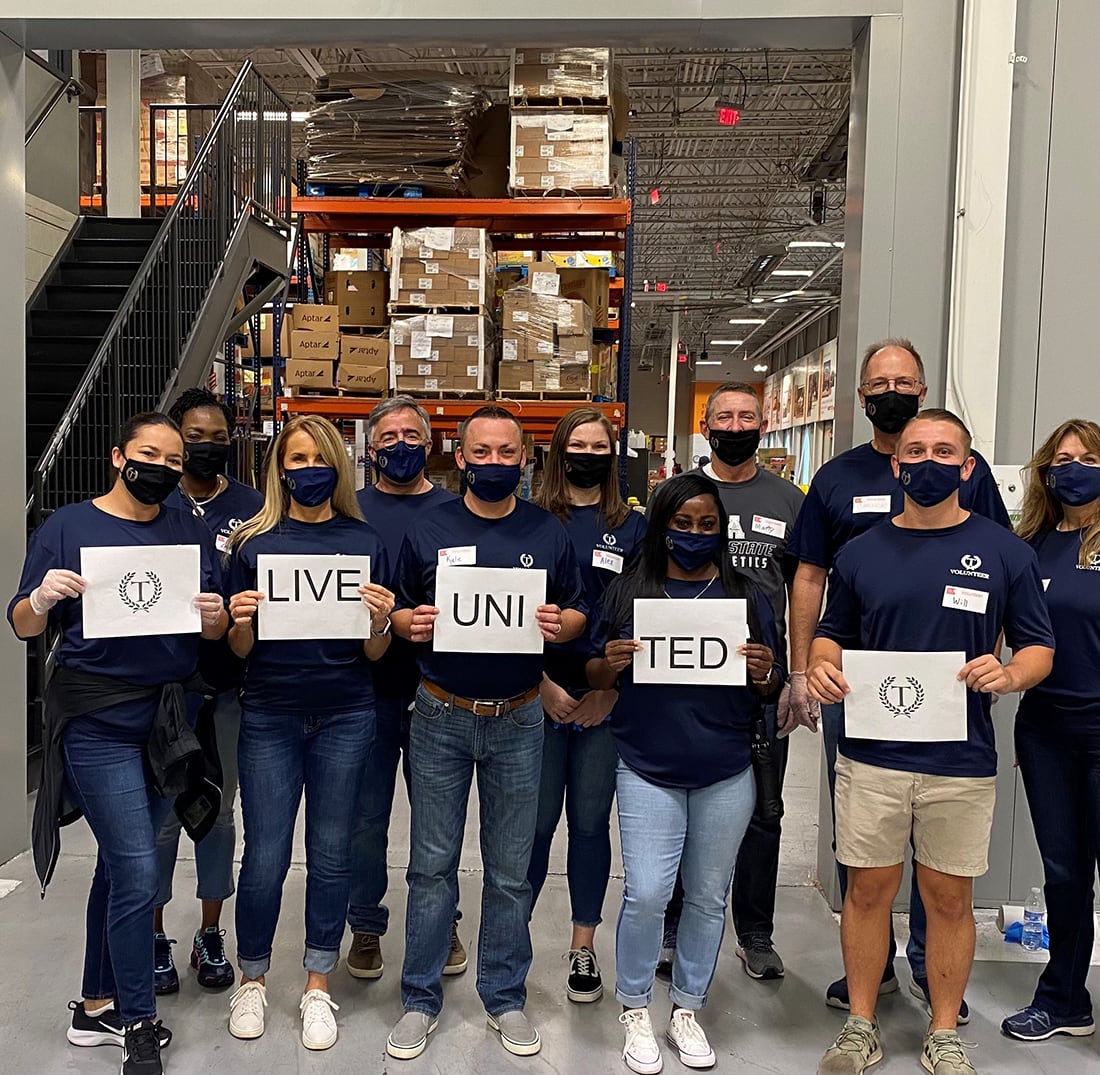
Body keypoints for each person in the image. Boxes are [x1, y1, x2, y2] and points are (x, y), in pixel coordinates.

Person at [808, 409, 1054, 1075]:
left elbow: (1039, 646)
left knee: (949, 898)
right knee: (867, 891)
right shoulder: (859, 553)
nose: (928, 459)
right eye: (915, 449)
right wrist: (821, 662)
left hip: (959, 761)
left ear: (967, 467)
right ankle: (861, 1023)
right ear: (896, 464)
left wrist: (1011, 671)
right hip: (871, 754)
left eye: (944, 450)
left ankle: (943, 1030)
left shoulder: (1007, 554)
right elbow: (831, 630)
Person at [784, 338, 1010, 1014]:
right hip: (859, 695)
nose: (891, 389)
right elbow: (810, 579)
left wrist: (986, 660)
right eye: (879, 380)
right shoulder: (835, 478)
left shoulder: (972, 478)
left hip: (949, 700)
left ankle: (931, 970)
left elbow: (1000, 573)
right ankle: (872, 970)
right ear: (860, 396)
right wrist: (804, 670)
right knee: (864, 838)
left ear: (923, 388)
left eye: (904, 380)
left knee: (943, 858)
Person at [9, 412, 227, 1075]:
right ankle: (138, 1017)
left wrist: (215, 616)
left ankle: (94, 1003)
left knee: (117, 865)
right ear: (118, 456)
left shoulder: (184, 525)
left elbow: (210, 622)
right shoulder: (68, 527)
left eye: (173, 457)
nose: (161, 465)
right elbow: (21, 622)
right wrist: (43, 598)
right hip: (98, 721)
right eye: (148, 454)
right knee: (137, 866)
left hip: (165, 720)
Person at [387, 405, 586, 1061]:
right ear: (462, 456)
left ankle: (504, 994)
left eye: (508, 452)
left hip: (520, 717)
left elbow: (580, 610)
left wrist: (565, 624)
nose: (496, 462)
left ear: (524, 458)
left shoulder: (547, 531)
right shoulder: (427, 527)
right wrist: (406, 622)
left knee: (508, 871)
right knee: (430, 866)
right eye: (484, 452)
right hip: (440, 713)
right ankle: (420, 997)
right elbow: (392, 610)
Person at [586, 473, 782, 1074]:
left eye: (707, 525)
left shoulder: (747, 595)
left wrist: (764, 671)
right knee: (646, 893)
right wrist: (610, 664)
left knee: (705, 895)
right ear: (661, 526)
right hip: (647, 766)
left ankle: (688, 1006)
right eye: (681, 524)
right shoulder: (628, 593)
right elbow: (593, 674)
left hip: (725, 769)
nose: (694, 535)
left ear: (720, 530)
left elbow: (771, 685)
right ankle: (635, 1006)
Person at [223, 414, 395, 1052]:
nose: (308, 471)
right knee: (265, 852)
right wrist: (242, 619)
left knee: (330, 851)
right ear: (280, 469)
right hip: (269, 711)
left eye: (319, 460)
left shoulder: (365, 541)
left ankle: (318, 980)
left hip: (348, 712)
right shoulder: (253, 545)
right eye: (295, 460)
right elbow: (239, 647)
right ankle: (253, 976)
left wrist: (381, 622)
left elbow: (376, 654)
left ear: (339, 468)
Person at [662, 382, 805, 982]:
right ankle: (673, 926)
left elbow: (805, 588)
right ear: (708, 424)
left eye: (747, 414)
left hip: (761, 681)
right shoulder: (680, 495)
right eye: (725, 415)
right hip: (684, 682)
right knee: (679, 807)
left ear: (763, 422)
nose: (736, 423)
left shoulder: (792, 501)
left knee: (764, 813)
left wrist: (794, 676)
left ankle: (754, 930)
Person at [527, 407, 647, 1004]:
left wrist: (612, 690)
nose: (589, 454)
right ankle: (511, 940)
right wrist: (538, 682)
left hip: (605, 700)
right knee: (535, 825)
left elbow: (647, 612)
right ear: (557, 452)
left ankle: (583, 946)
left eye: (600, 445)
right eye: (578, 445)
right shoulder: (530, 520)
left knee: (590, 825)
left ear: (614, 455)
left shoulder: (633, 526)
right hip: (538, 696)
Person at [346, 396, 466, 981]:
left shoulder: (456, 511)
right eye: (388, 436)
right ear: (371, 449)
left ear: (431, 444)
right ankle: (366, 924)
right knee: (365, 819)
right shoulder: (348, 511)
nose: (399, 445)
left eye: (410, 435)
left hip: (438, 694)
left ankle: (441, 924)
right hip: (362, 691)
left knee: (436, 817)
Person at [152, 388, 263, 995]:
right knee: (163, 817)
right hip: (163, 692)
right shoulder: (154, 502)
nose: (207, 445)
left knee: (218, 812)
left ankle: (211, 930)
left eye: (218, 436)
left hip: (230, 686)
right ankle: (155, 930)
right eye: (195, 436)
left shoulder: (252, 507)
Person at [1001, 418, 1100, 1043]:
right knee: (1065, 871)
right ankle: (1064, 997)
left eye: (1086, 457)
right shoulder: (1031, 542)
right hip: (1045, 731)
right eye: (1061, 458)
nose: (1071, 467)